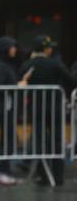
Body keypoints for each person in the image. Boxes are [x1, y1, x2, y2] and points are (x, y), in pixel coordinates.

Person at [18, 35, 77, 186]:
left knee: (39, 141)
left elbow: (19, 82)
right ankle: (58, 177)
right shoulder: (55, 64)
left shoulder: (28, 65)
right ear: (46, 49)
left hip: (36, 110)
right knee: (57, 141)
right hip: (55, 109)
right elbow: (71, 80)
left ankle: (43, 176)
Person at [0, 36, 20, 186]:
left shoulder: (7, 64)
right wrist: (17, 86)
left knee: (10, 139)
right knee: (7, 140)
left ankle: (5, 170)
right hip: (4, 108)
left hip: (9, 108)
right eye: (11, 46)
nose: (14, 49)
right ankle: (2, 171)